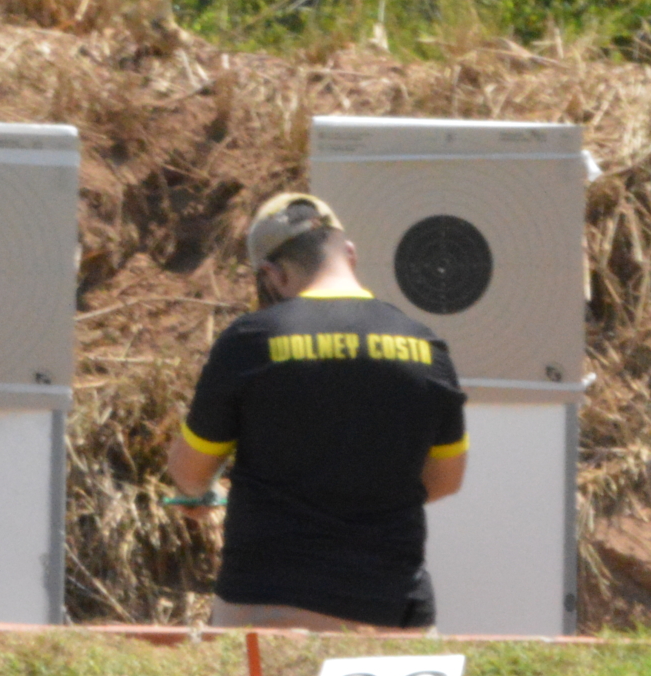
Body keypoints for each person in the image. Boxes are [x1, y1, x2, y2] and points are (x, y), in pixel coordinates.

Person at [167, 192, 468, 633]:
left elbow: (190, 473)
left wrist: (201, 491)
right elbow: (445, 480)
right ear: (350, 253)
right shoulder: (426, 345)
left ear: (273, 274)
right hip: (391, 608)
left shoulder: (250, 341)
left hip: (270, 603)